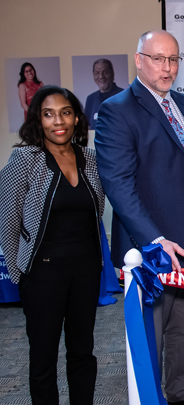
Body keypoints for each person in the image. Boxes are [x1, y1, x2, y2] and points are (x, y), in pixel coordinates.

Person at [95, 31, 184, 405]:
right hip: (149, 248)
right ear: (138, 60)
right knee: (152, 331)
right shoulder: (117, 110)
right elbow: (118, 185)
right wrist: (153, 239)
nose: (167, 68)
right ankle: (149, 398)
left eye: (174, 59)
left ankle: (182, 394)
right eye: (158, 59)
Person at [0, 85, 105, 405]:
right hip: (43, 275)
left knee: (83, 353)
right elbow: (8, 223)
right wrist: (23, 275)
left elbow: (96, 210)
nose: (57, 120)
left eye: (65, 112)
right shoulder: (24, 158)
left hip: (85, 271)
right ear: (38, 119)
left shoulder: (89, 157)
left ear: (76, 118)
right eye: (48, 114)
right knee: (43, 358)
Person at [84, 59, 124, 130]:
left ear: (112, 73)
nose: (101, 76)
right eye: (97, 73)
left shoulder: (125, 96)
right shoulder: (90, 99)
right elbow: (88, 126)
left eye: (105, 72)